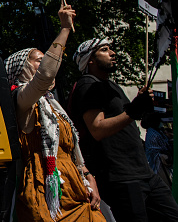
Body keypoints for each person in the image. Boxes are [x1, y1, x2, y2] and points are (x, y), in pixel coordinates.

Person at [4, 4, 104, 221]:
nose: (45, 63)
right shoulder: (22, 101)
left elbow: (70, 149)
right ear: (22, 69)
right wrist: (65, 29)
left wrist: (88, 177)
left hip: (78, 189)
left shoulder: (53, 107)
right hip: (46, 194)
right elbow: (46, 75)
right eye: (38, 60)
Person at [69, 38, 178, 221]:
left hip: (144, 173)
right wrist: (134, 111)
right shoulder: (88, 85)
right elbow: (97, 129)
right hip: (122, 178)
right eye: (104, 49)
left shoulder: (110, 85)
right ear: (90, 59)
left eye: (111, 48)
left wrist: (139, 104)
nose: (112, 53)